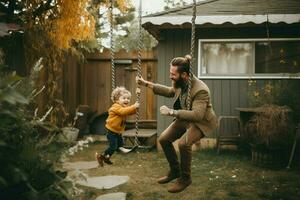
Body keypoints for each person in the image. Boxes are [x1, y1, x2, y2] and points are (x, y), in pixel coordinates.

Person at [136, 55, 217, 193]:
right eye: (170, 73)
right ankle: (175, 171)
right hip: (185, 117)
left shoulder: (200, 89)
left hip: (202, 122)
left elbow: (198, 115)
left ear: (184, 75)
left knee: (183, 144)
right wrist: (145, 84)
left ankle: (185, 178)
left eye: (173, 74)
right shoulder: (180, 83)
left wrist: (172, 112)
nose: (171, 77)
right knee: (163, 139)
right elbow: (170, 91)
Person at [96, 86, 139, 166]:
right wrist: (133, 107)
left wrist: (135, 109)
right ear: (116, 100)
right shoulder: (115, 107)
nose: (127, 100)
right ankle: (101, 156)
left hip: (118, 132)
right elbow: (123, 112)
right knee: (113, 147)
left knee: (120, 145)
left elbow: (128, 112)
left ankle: (107, 157)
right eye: (124, 98)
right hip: (111, 131)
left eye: (128, 98)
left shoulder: (123, 107)